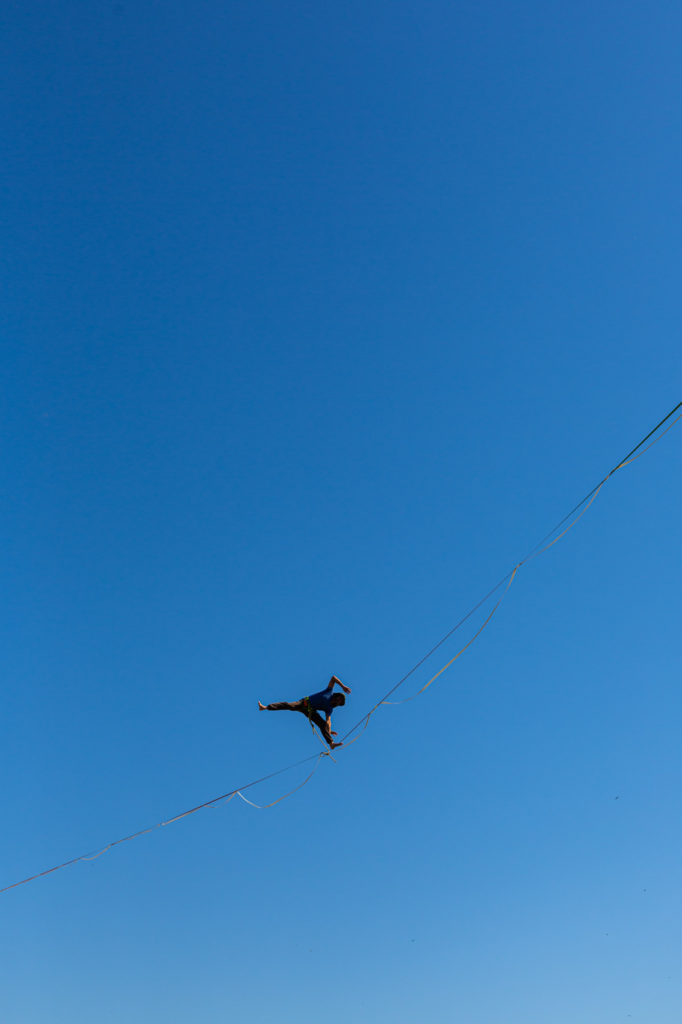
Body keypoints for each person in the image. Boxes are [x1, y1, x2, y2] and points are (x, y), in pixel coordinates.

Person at [258, 675, 352, 749]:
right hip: (304, 703)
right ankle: (266, 707)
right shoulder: (329, 691)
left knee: (323, 725)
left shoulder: (329, 708)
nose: (338, 700)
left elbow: (328, 721)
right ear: (337, 696)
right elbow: (333, 678)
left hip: (310, 711)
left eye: (340, 701)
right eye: (339, 698)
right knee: (289, 705)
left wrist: (329, 730)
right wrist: (343, 686)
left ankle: (331, 744)